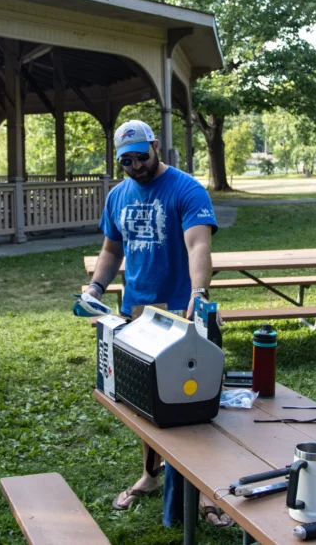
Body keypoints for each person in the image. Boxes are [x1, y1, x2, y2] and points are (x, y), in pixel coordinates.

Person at [84, 119, 230, 528]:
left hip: (182, 316)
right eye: (126, 161)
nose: (135, 166)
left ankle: (200, 492)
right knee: (142, 401)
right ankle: (150, 475)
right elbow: (112, 249)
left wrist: (198, 295)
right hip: (138, 314)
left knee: (193, 405)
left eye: (140, 156)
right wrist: (96, 287)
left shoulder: (186, 189)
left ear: (155, 146)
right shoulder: (118, 196)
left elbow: (199, 243)